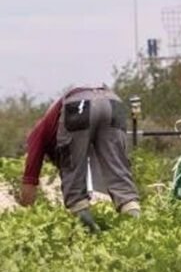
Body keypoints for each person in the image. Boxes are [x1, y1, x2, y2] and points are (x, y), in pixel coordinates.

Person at [18, 86, 141, 232]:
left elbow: (29, 181)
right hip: (113, 102)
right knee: (120, 175)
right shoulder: (54, 126)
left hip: (80, 104)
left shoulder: (37, 135)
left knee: (74, 187)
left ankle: (91, 234)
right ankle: (136, 228)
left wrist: (26, 221)